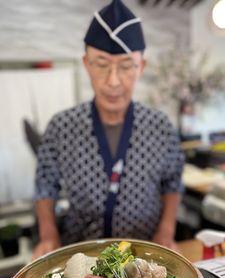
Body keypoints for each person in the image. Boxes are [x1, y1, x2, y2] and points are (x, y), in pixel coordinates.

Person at [32, 0, 184, 260]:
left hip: (143, 252)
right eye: (101, 64)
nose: (113, 81)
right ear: (86, 63)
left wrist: (166, 231)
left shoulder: (160, 126)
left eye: (126, 66)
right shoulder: (61, 126)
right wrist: (48, 236)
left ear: (141, 67)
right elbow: (45, 186)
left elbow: (173, 181)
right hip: (79, 253)